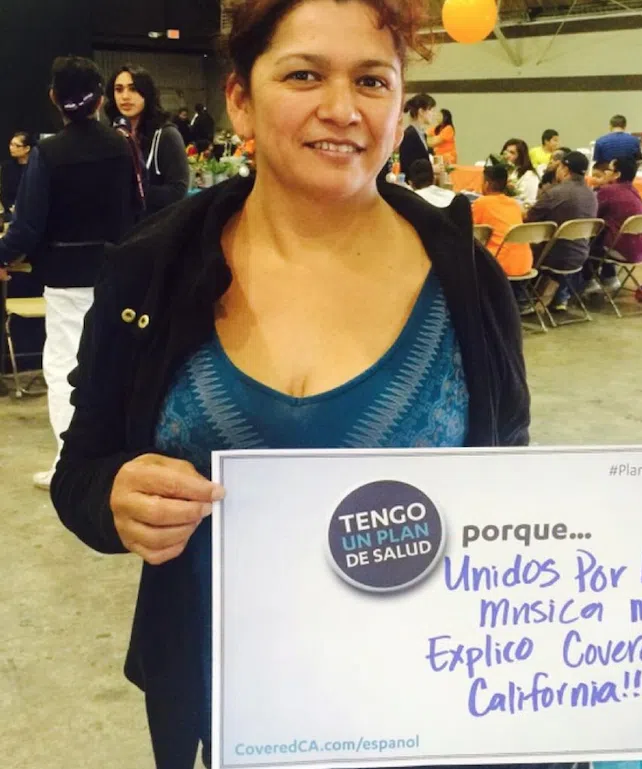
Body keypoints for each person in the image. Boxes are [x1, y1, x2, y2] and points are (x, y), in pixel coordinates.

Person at [50, 2, 532, 765]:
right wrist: (115, 497)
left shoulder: (467, 283)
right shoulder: (153, 270)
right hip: (226, 706)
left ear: (400, 103)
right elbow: (80, 471)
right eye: (305, 75)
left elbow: (513, 488)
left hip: (418, 708)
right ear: (240, 98)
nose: (341, 109)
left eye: (372, 80)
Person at [0, 56, 139, 489]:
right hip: (116, 275)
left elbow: (27, 226)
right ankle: (116, 461)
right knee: (115, 366)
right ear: (100, 99)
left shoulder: (48, 154)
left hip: (65, 279)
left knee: (64, 369)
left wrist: (3, 255)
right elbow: (138, 211)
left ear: (54, 98)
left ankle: (70, 467)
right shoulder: (121, 146)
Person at [105, 65, 190, 215]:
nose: (125, 96)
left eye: (133, 89)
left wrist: (131, 192)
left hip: (156, 225)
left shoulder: (166, 135)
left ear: (147, 93)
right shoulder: (111, 134)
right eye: (119, 89)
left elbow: (178, 191)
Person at [526, 151, 598, 311]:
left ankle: (522, 299)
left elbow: (529, 217)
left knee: (518, 245)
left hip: (553, 256)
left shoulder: (556, 193)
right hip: (580, 255)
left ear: (565, 169)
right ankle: (560, 297)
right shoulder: (591, 194)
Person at [582, 155, 642, 295]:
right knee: (605, 235)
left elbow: (591, 216)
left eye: (609, 170)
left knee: (581, 243)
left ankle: (588, 281)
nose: (606, 172)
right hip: (639, 249)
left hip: (620, 249)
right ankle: (609, 277)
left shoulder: (608, 191)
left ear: (617, 174)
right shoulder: (634, 191)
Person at [471, 164, 531, 278]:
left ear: (486, 184)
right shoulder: (514, 204)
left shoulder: (481, 203)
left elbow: (467, 230)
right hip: (525, 264)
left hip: (498, 266)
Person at [399, 92, 436, 175]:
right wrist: (431, 169)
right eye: (431, 110)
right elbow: (407, 165)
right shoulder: (409, 135)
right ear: (421, 111)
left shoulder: (422, 134)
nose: (433, 114)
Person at [1, 132, 33, 224]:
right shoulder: (7, 167)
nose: (12, 148)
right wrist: (11, 207)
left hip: (32, 209)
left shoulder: (36, 167)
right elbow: (4, 193)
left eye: (17, 146)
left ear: (27, 148)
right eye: (11, 144)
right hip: (12, 210)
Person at [502, 138, 539, 207]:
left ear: (521, 156)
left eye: (512, 153)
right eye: (506, 152)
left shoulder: (529, 175)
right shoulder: (506, 171)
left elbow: (529, 202)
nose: (507, 156)